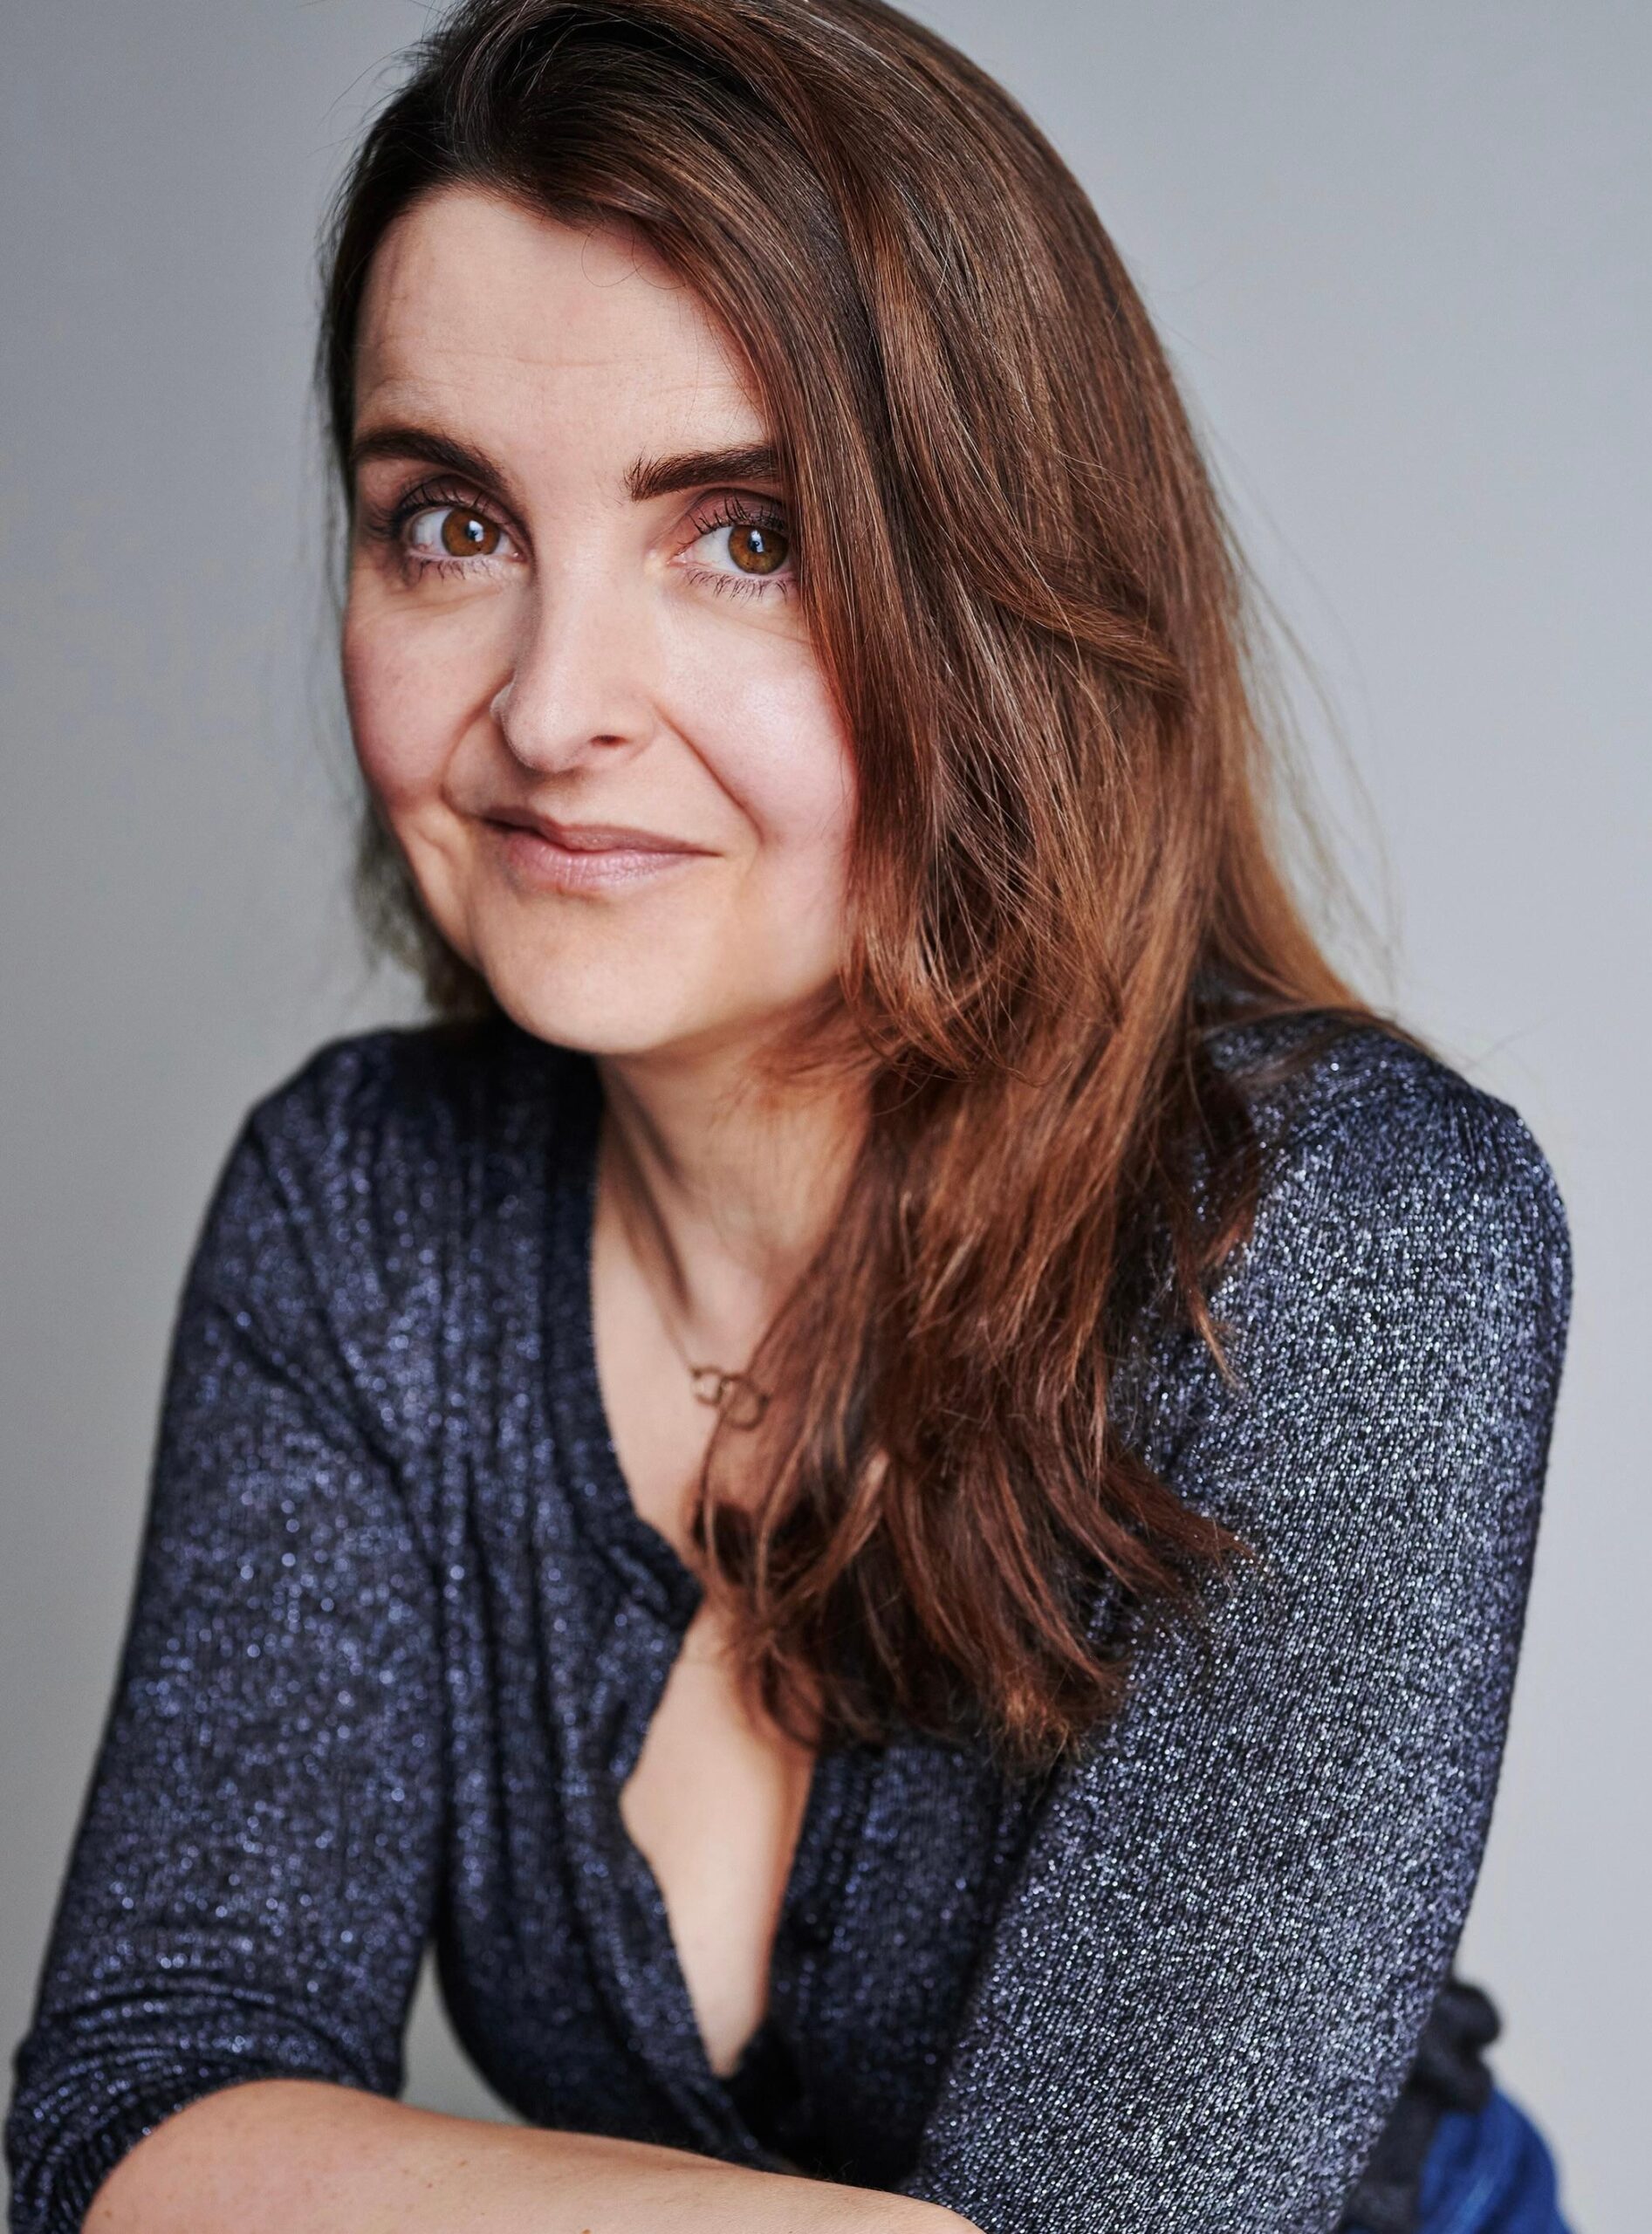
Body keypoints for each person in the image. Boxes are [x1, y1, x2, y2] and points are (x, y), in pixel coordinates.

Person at [3, 3, 1575, 2231]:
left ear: (1002, 590)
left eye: (743, 535)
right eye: (447, 521)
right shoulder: (361, 1208)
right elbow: (142, 2101)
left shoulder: (1341, 1234)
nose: (549, 708)